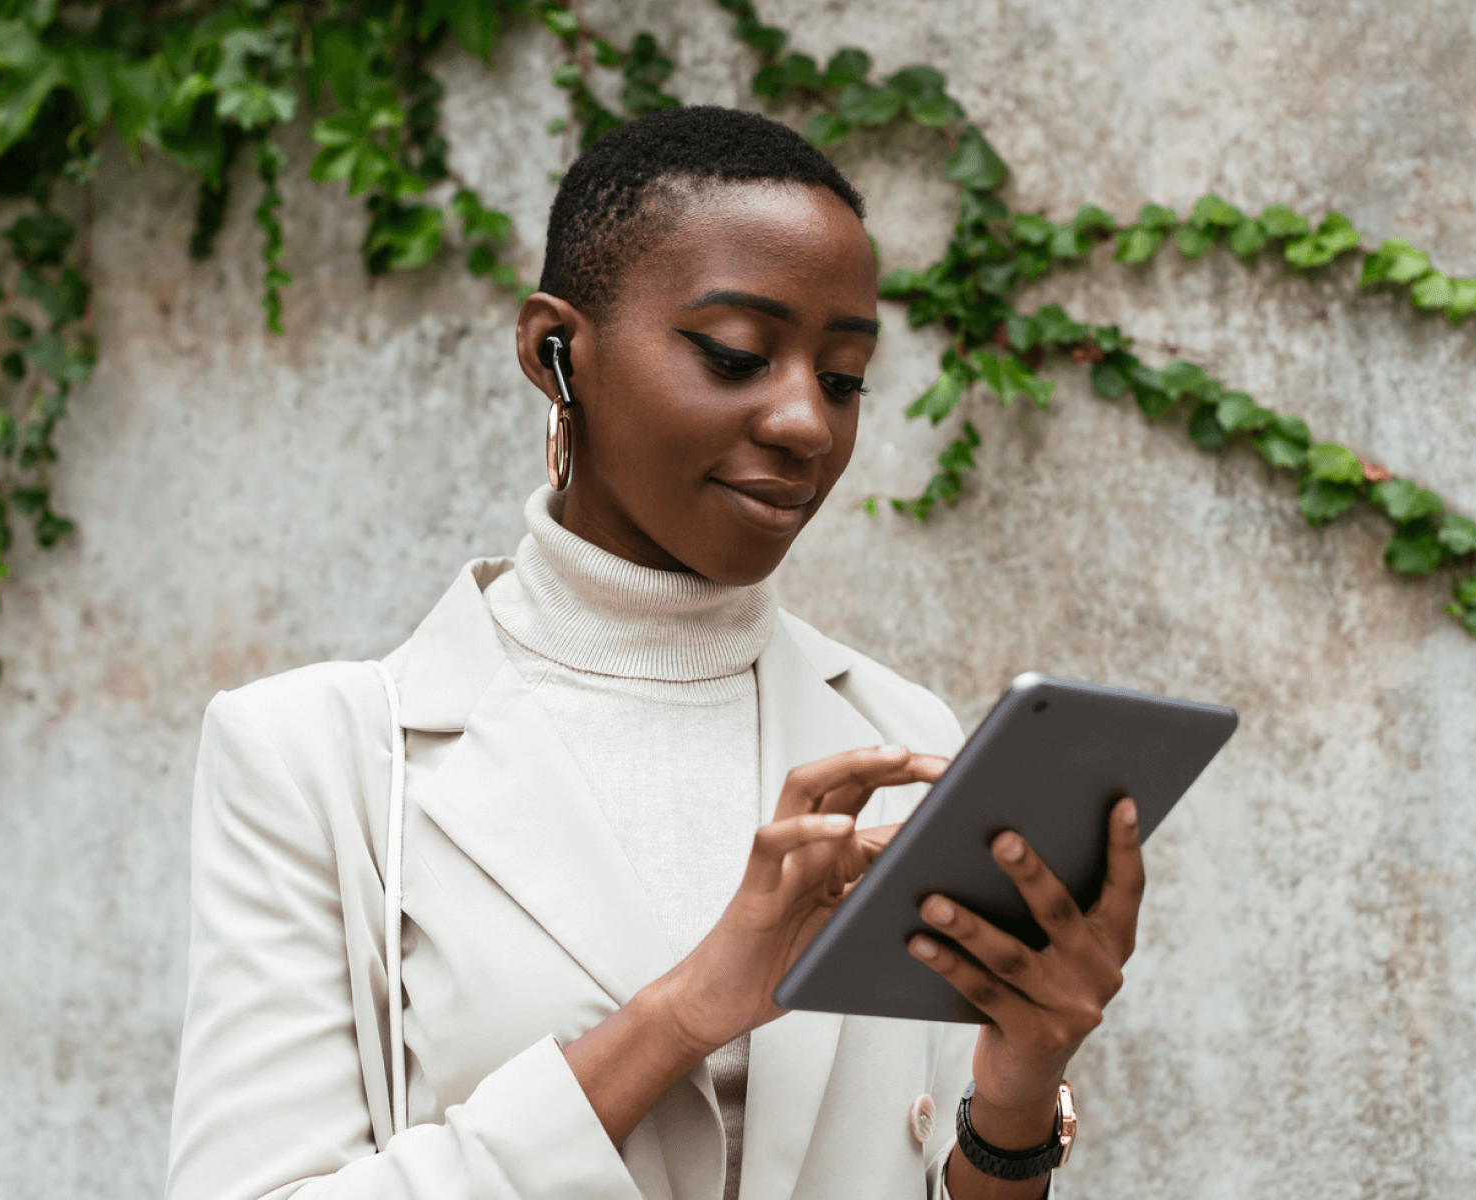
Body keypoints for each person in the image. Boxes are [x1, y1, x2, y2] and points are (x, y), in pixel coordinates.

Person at [166, 105, 1143, 1200]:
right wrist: (685, 1012)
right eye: (736, 355)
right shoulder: (318, 758)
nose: (806, 424)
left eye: (844, 376)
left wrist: (1013, 1105)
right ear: (554, 352)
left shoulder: (901, 736)